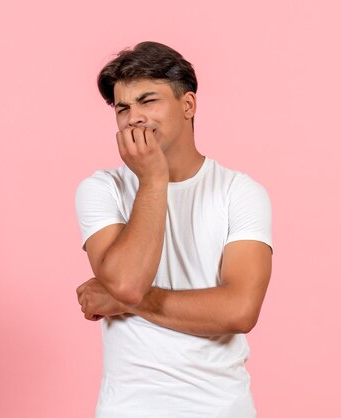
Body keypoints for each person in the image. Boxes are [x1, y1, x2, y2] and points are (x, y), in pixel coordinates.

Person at [75, 41, 273, 418]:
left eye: (148, 101)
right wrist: (152, 179)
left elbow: (240, 310)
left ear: (188, 106)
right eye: (123, 108)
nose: (134, 117)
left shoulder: (240, 192)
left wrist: (126, 302)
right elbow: (129, 282)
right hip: (128, 408)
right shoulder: (100, 189)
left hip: (221, 408)